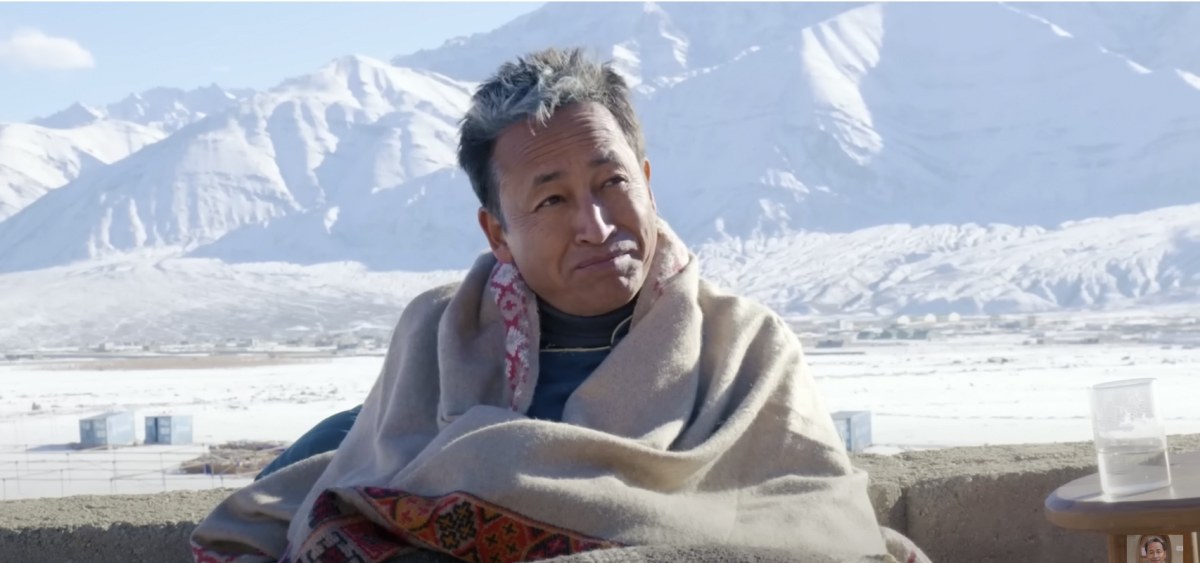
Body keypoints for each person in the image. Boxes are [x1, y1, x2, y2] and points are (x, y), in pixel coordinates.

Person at [191, 47, 930, 563]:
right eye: (551, 200)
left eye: (613, 183)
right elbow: (351, 474)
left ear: (647, 182)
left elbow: (816, 527)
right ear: (498, 234)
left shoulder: (746, 350)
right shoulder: (438, 340)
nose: (597, 226)